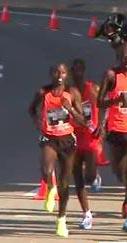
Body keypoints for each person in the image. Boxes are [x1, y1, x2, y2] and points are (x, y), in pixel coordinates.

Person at [28, 63, 86, 237]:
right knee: (47, 170)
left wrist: (71, 109)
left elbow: (83, 121)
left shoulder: (73, 93)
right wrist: (37, 121)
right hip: (49, 138)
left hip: (68, 141)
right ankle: (50, 187)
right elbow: (31, 109)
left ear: (66, 74)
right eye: (56, 72)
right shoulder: (43, 93)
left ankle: (61, 219)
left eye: (62, 72)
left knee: (65, 183)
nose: (59, 75)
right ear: (51, 74)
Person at [96, 43, 127, 234]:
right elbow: (99, 102)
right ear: (118, 58)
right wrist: (114, 101)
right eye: (124, 57)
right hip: (116, 129)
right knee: (119, 169)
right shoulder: (111, 75)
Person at [70, 59, 109, 230]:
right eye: (75, 70)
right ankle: (86, 214)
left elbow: (104, 105)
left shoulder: (92, 88)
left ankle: (95, 177)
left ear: (84, 71)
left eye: (80, 69)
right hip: (74, 137)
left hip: (91, 136)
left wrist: (102, 125)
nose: (77, 73)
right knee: (78, 177)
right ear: (71, 72)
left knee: (89, 176)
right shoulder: (68, 92)